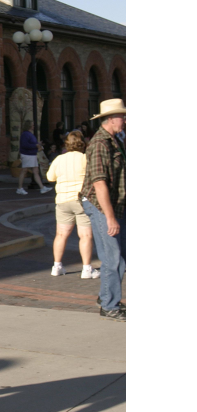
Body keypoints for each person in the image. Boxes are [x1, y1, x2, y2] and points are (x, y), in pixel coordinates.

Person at [80, 99, 126, 322]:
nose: (124, 120)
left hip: (115, 205)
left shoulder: (115, 140)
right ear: (110, 119)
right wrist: (110, 217)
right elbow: (99, 184)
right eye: (122, 116)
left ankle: (107, 297)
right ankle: (109, 305)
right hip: (101, 206)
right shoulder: (99, 144)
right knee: (112, 257)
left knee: (120, 257)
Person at [45, 131, 99, 279]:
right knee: (85, 235)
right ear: (82, 143)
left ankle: (57, 266)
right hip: (81, 199)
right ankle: (87, 268)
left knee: (61, 234)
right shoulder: (85, 158)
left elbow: (50, 177)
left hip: (62, 199)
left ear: (66, 144)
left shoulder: (59, 159)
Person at [16, 119, 53, 195]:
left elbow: (31, 143)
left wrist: (38, 144)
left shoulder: (29, 134)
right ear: (29, 126)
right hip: (27, 155)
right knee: (24, 170)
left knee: (36, 171)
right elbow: (24, 145)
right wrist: (35, 145)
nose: (33, 126)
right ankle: (19, 188)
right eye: (32, 125)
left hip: (32, 155)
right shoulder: (25, 134)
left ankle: (42, 187)